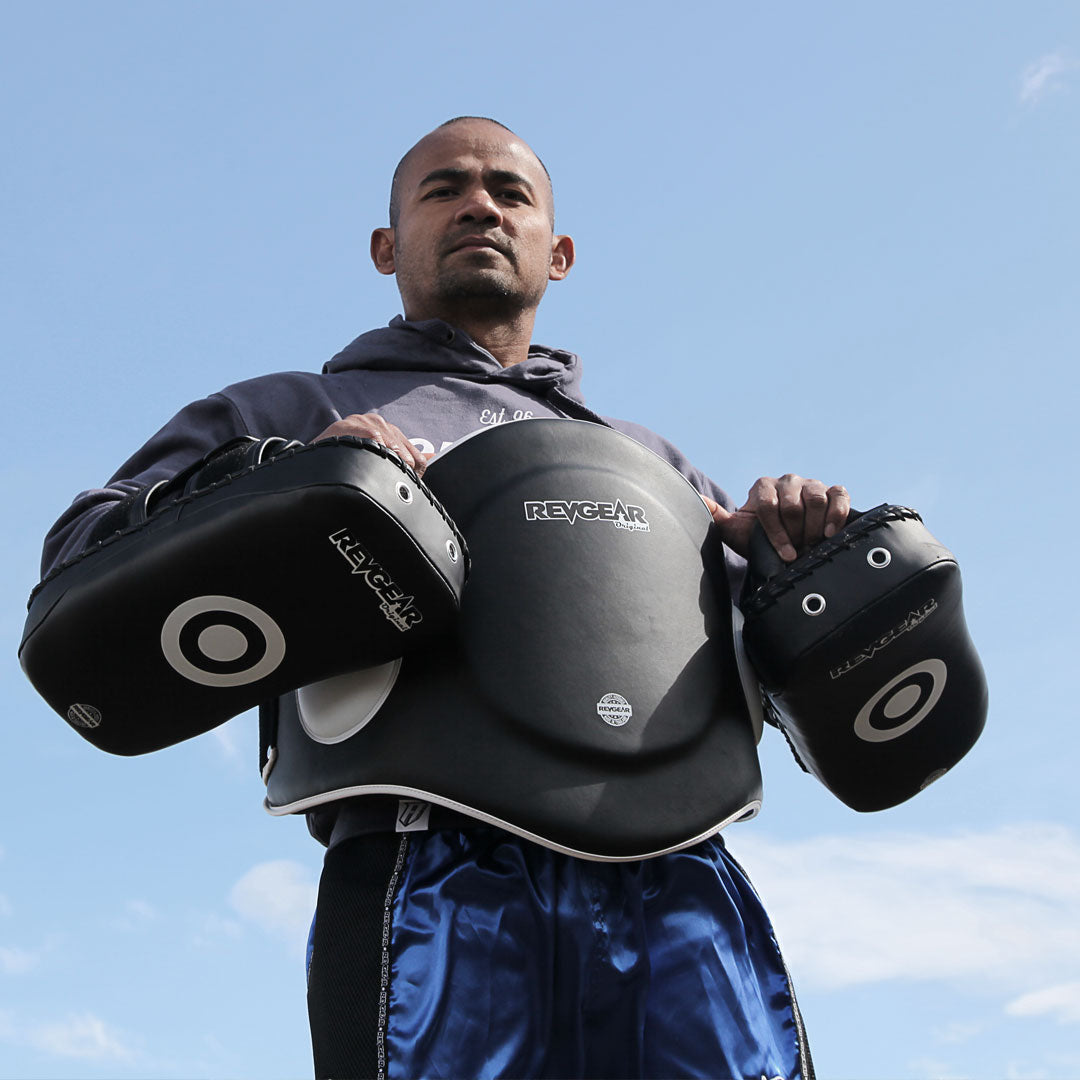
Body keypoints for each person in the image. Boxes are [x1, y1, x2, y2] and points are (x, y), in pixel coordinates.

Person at [40, 117, 849, 1079]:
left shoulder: (652, 467)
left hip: (682, 888)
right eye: (444, 188)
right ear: (387, 248)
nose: (480, 206)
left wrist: (801, 566)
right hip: (429, 869)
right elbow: (81, 548)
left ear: (559, 252)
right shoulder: (293, 408)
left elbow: (783, 693)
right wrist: (285, 478)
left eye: (510, 193)